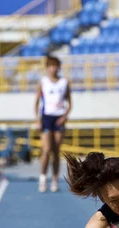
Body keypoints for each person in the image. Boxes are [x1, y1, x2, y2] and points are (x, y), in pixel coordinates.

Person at [34, 56, 72, 193]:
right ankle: (43, 178)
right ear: (47, 68)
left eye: (55, 66)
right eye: (50, 66)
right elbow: (37, 102)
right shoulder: (43, 82)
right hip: (46, 117)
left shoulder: (64, 82)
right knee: (46, 149)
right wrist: (38, 119)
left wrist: (64, 116)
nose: (53, 69)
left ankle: (55, 179)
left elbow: (70, 103)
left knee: (56, 151)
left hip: (59, 117)